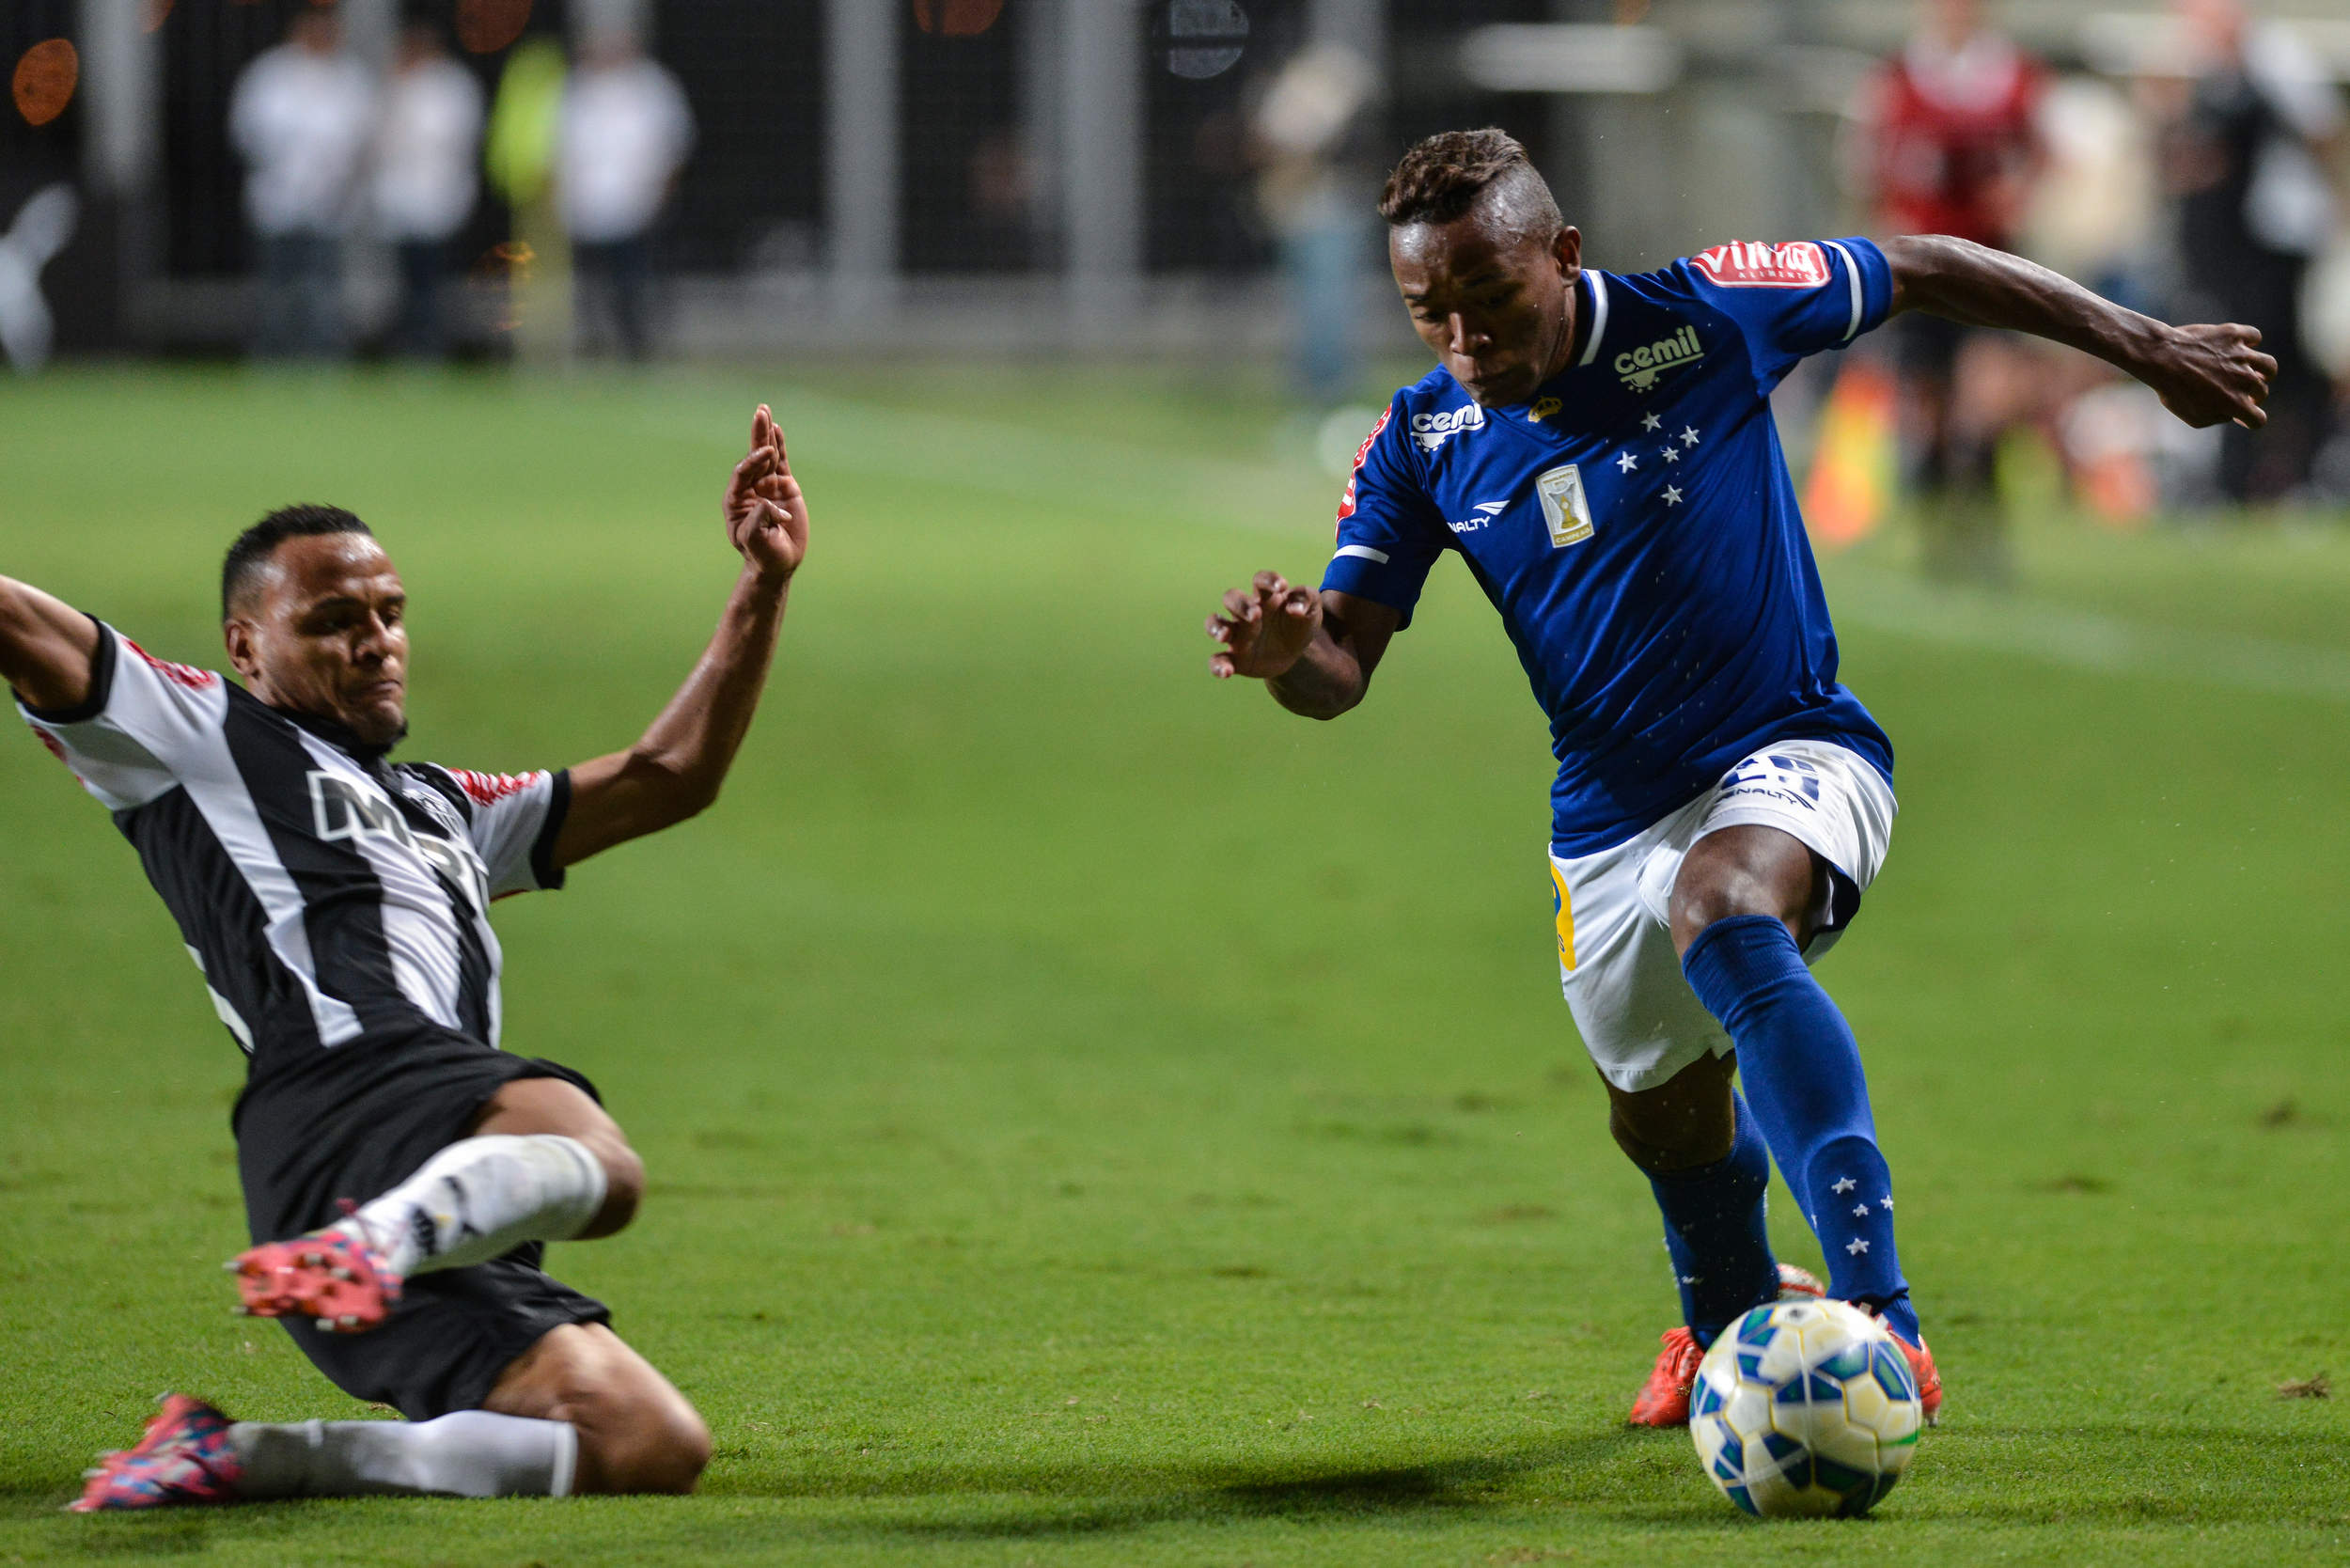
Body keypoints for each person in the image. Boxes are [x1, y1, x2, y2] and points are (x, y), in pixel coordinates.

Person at [1204, 129, 2271, 1429]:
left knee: (1722, 909)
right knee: (1660, 1116)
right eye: (1431, 312)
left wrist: (2149, 348)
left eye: (1490, 300)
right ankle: (1729, 1326)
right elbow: (1343, 665)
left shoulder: (1705, 311)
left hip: (1795, 746)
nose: (1465, 339)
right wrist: (1284, 656)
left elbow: (1920, 264)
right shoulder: (1423, 440)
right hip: (1604, 820)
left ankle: (1884, 1322)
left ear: (1565, 255)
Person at [8, 407, 808, 1508]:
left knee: (642, 1443)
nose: (375, 637)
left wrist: (762, 586)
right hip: (351, 1090)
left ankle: (236, 1454)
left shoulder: (444, 807)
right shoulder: (196, 737)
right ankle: (375, 1244)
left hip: (414, 1182)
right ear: (246, 648)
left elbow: (669, 775)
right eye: (334, 619)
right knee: (599, 1162)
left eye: (389, 613)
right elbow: (22, 623)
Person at [1852, 0, 2046, 581]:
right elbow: (1866, 165)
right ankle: (1938, 529)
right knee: (1930, 404)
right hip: (1920, 268)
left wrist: (2018, 193)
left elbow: (2038, 155)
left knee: (1989, 399)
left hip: (1992, 259)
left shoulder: (2012, 74)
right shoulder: (1897, 77)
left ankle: (1985, 526)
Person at [2162, 0, 2342, 502]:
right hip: (2240, 236)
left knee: (2276, 352)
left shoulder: (2276, 61)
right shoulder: (2219, 73)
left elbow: (2321, 132)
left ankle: (2297, 469)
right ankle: (2242, 474)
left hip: (2280, 232)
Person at [229, 8, 377, 359]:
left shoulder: (350, 78)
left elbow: (364, 140)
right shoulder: (270, 74)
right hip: (279, 197)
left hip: (331, 201)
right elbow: (247, 132)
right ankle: (274, 353)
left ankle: (322, 354)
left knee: (323, 284)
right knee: (276, 282)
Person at [556, 28, 694, 361]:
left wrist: (660, 195)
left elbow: (674, 144)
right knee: (589, 287)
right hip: (586, 207)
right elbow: (560, 148)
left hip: (636, 206)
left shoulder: (652, 87)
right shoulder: (577, 89)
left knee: (633, 283)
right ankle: (593, 346)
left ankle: (637, 347)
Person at [373, 17, 485, 358]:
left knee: (433, 277)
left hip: (437, 196)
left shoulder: (452, 87)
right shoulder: (393, 86)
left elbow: (452, 140)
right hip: (399, 197)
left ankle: (432, 342)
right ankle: (409, 340)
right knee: (404, 277)